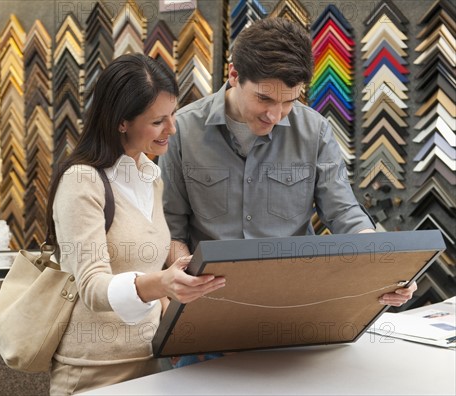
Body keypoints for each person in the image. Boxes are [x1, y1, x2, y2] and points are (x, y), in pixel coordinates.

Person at [159, 18, 417, 366]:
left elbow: (344, 213)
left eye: (289, 102)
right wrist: (186, 294)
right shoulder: (183, 131)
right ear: (234, 75)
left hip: (294, 322)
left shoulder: (315, 132)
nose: (275, 115)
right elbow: (172, 228)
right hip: (210, 322)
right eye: (264, 98)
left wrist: (383, 266)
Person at [47, 53, 225, 395]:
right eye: (159, 121)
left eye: (173, 115)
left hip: (152, 363)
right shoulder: (82, 181)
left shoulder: (150, 175)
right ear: (121, 122)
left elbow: (146, 263)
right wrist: (163, 284)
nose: (172, 128)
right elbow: (92, 286)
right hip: (95, 372)